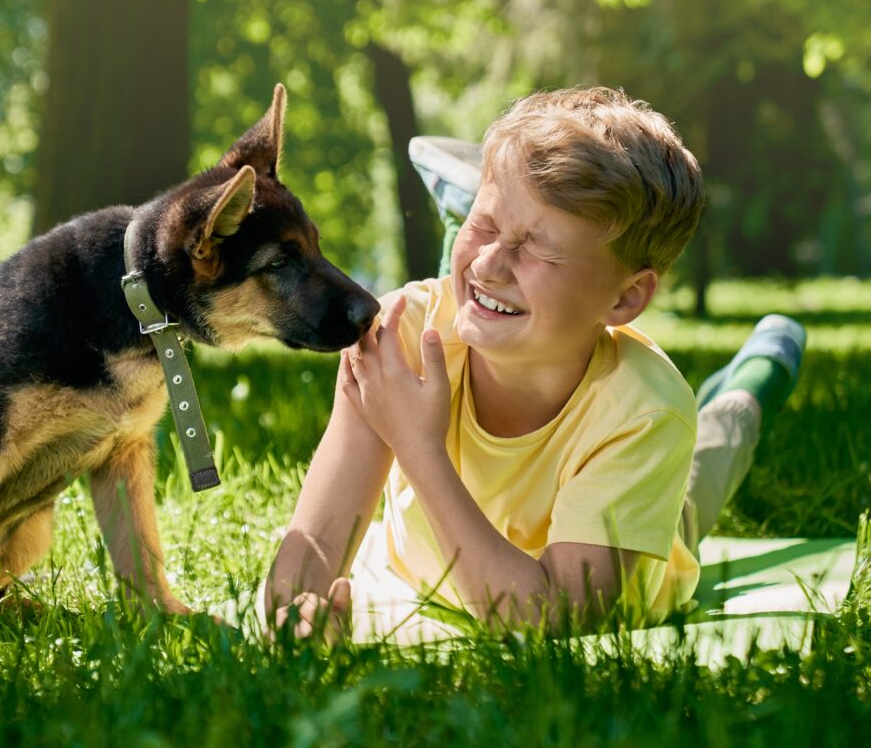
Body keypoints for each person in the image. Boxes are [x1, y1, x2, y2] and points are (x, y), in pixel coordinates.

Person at [262, 87, 806, 642]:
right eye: (486, 224)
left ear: (624, 300)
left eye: (539, 249)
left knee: (710, 456)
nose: (492, 263)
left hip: (638, 551)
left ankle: (757, 374)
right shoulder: (401, 335)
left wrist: (417, 444)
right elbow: (317, 540)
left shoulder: (645, 414)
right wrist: (295, 613)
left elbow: (547, 618)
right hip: (430, 576)